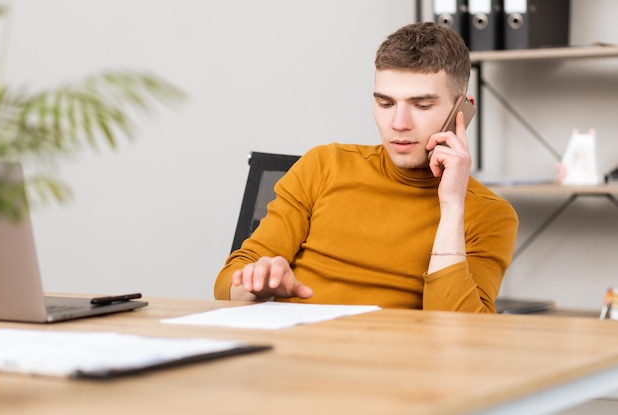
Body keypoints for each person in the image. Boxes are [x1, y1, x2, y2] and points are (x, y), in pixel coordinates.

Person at [214, 21, 518, 312]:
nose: (398, 124)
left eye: (422, 106)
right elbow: (228, 282)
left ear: (462, 110)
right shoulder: (324, 165)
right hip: (295, 352)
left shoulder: (490, 215)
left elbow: (459, 332)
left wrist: (451, 206)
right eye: (385, 104)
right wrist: (256, 283)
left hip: (387, 359)